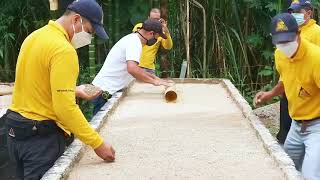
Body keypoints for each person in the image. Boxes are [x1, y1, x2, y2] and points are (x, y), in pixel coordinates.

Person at [3, 0, 115, 179]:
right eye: (90, 31)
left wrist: (74, 90)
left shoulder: (34, 36)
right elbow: (65, 109)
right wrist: (97, 144)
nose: (90, 37)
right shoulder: (64, 50)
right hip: (40, 139)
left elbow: (36, 84)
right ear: (76, 19)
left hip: (15, 132)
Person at [254, 0, 320, 144]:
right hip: (290, 88)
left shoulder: (316, 32)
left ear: (308, 13)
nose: (294, 15)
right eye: (292, 12)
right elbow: (285, 72)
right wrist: (272, 93)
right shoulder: (285, 36)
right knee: (287, 124)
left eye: (298, 12)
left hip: (311, 91)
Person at [264, 13, 320, 179]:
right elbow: (285, 80)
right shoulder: (279, 55)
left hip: (317, 125)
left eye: (288, 40)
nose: (284, 45)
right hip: (296, 126)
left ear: (298, 34)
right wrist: (271, 94)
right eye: (279, 42)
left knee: (311, 175)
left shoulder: (316, 58)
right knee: (285, 167)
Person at [92, 19, 172, 115]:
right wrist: (154, 82)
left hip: (105, 91)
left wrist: (156, 78)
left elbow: (137, 69)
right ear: (151, 33)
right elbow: (132, 69)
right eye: (156, 37)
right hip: (104, 93)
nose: (155, 41)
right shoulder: (134, 43)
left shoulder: (132, 39)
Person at [132, 8, 173, 75]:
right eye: (153, 19)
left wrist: (166, 32)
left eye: (157, 19)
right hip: (135, 65)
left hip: (149, 68)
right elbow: (136, 42)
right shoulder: (140, 26)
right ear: (148, 18)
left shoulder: (160, 32)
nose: (155, 21)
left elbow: (168, 47)